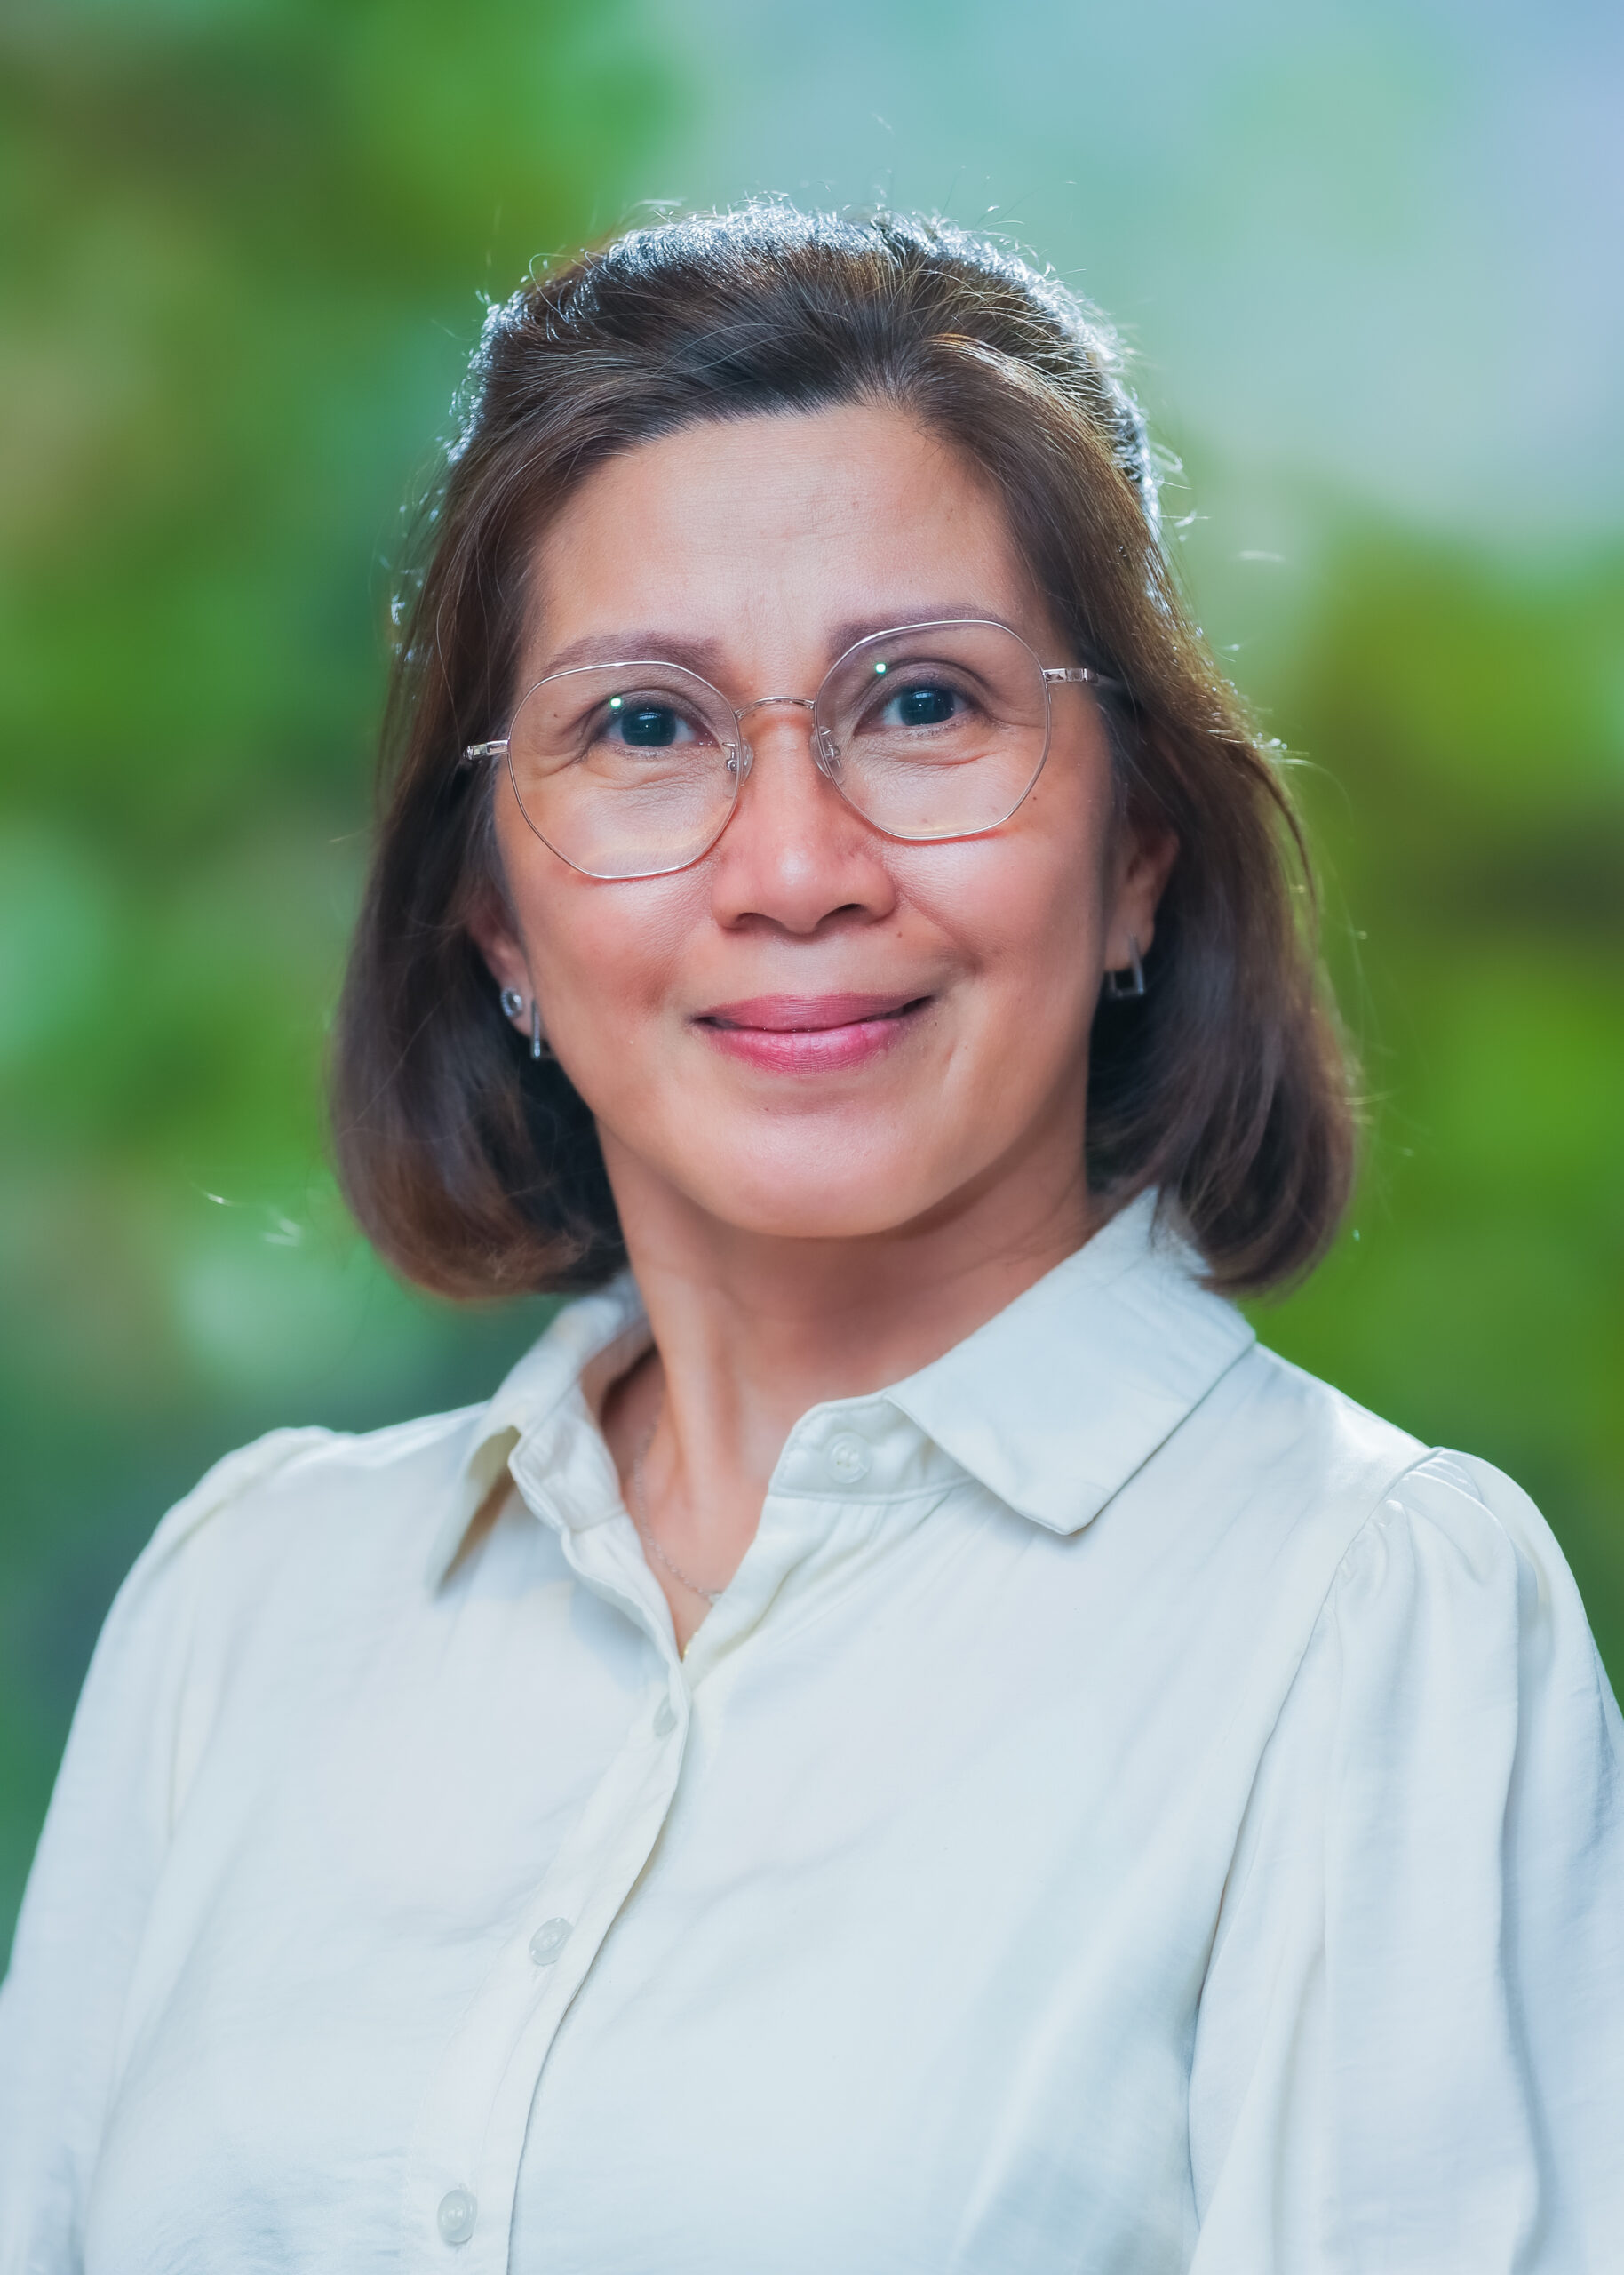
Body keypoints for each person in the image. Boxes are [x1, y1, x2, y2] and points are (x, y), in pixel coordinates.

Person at [1, 204, 1620, 2274]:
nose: (790, 864)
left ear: (1136, 849)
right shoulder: (249, 1601)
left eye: (922, 702)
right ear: (494, 917)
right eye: (642, 726)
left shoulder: (1359, 1614)